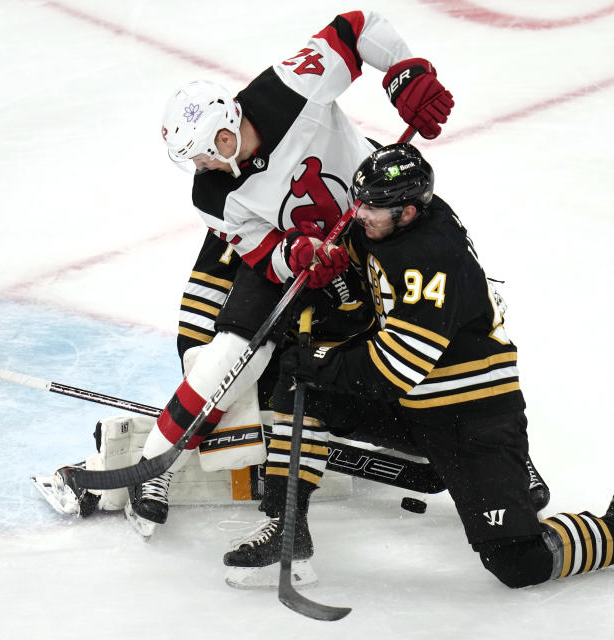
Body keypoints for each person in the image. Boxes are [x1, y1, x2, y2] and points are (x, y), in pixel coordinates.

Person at [222, 143, 614, 589]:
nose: (358, 213)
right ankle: (287, 529)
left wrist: (321, 358)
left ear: (407, 212)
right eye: (358, 201)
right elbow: (355, 247)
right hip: (418, 405)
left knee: (517, 562)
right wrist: (321, 261)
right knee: (296, 381)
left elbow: (393, 368)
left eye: (371, 208)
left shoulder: (429, 259)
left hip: (474, 415)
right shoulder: (394, 216)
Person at [126, 9, 457, 535]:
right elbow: (258, 249)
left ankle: (495, 438)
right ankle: (153, 468)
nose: (200, 167)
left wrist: (405, 71)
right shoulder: (211, 194)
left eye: (203, 155)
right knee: (230, 357)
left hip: (376, 213)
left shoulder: (289, 86)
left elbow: (359, 24)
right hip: (305, 248)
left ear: (225, 133)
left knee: (445, 293)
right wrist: (294, 255)